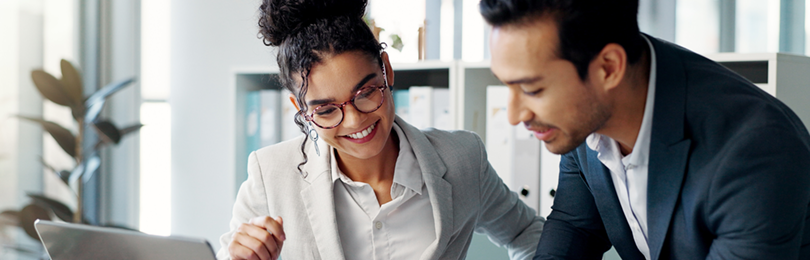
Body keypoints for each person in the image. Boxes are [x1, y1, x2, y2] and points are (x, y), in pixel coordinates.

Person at [480, 0, 810, 259]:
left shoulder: (756, 150)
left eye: (533, 89)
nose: (513, 115)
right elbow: (575, 229)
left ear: (608, 68)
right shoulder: (585, 115)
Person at [217, 0, 544, 259]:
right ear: (300, 110)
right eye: (327, 109)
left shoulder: (462, 159)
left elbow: (528, 234)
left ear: (386, 69)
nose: (355, 121)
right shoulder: (270, 175)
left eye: (366, 93)